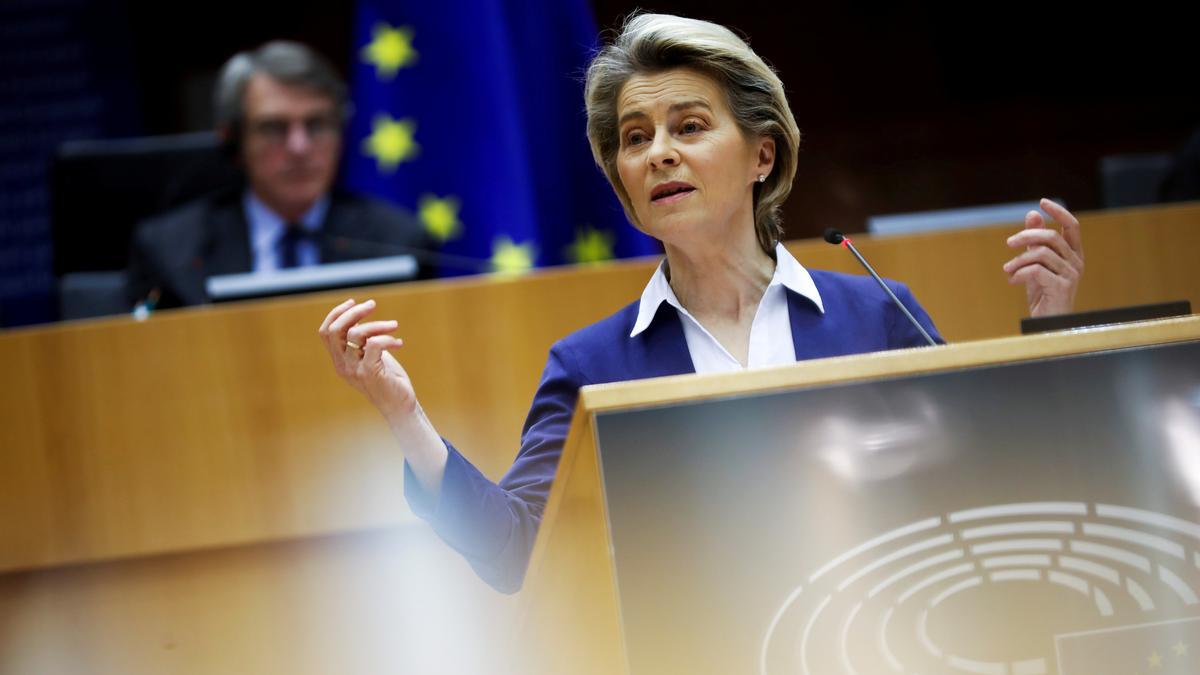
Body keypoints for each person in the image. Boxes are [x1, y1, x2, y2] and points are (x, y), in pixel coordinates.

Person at [318, 14, 1085, 593]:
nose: (658, 152)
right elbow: (513, 551)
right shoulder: (593, 363)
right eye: (635, 137)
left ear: (762, 154)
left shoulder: (877, 314)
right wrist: (402, 413)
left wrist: (1052, 330)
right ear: (625, 186)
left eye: (688, 126)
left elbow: (993, 492)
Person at [128, 41, 432, 309]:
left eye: (317, 125)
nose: (299, 147)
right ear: (233, 140)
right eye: (273, 127)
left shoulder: (400, 239)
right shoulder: (170, 249)